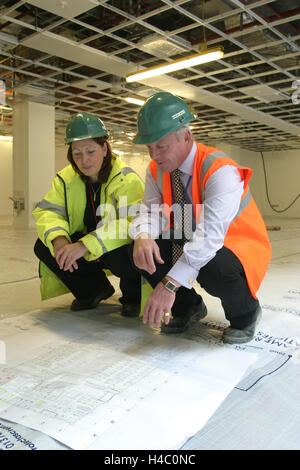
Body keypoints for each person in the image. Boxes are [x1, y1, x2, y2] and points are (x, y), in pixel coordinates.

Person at [130, 92, 272, 344]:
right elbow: (150, 212)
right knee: (147, 251)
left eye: (161, 146)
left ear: (186, 136)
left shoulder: (220, 170)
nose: (154, 155)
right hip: (189, 236)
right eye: (149, 147)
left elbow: (209, 236)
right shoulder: (157, 169)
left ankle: (246, 315)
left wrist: (169, 284)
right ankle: (188, 308)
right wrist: (143, 235)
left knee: (211, 267)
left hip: (235, 246)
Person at [33, 111, 144, 316]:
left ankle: (133, 296)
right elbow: (49, 211)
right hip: (86, 246)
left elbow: (131, 223)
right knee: (44, 245)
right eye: (77, 153)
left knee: (125, 252)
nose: (84, 160)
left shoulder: (126, 178)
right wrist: (60, 241)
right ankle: (92, 290)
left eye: (90, 151)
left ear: (104, 148)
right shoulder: (65, 179)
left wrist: (85, 245)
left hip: (112, 247)